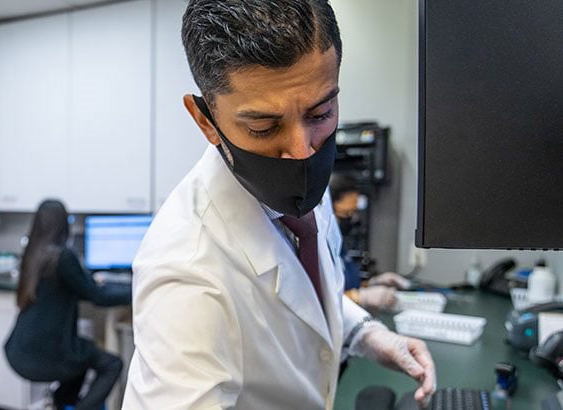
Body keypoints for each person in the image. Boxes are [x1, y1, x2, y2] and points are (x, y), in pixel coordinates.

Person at [122, 1, 436, 409]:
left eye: (321, 113)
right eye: (263, 128)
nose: (301, 151)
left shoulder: (296, 190)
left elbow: (303, 289)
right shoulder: (186, 273)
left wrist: (365, 334)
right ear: (205, 121)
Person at [4, 200, 131, 410]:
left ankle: (60, 404)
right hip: (49, 354)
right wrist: (135, 290)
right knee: (112, 364)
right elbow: (97, 296)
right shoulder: (62, 256)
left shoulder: (33, 254)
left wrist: (86, 280)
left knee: (81, 361)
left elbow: (63, 286)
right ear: (64, 225)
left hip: (20, 350)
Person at [329, 175, 410, 312]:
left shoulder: (339, 243)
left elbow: (346, 284)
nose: (352, 219)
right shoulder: (321, 246)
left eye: (354, 212)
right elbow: (322, 300)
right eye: (347, 213)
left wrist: (372, 283)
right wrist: (360, 297)